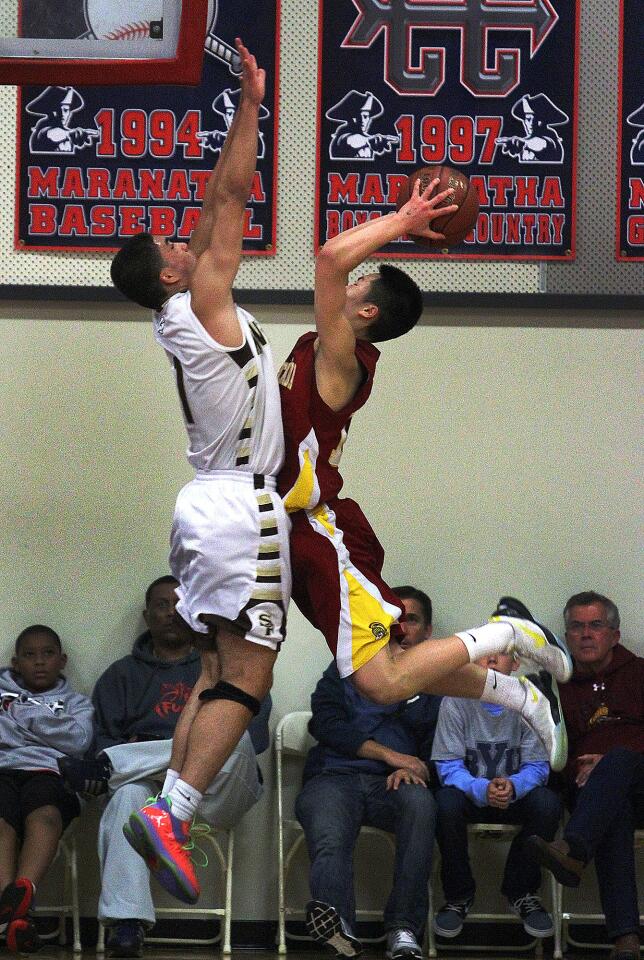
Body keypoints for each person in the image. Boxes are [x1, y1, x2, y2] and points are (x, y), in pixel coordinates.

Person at [277, 181, 572, 768]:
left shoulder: (342, 358)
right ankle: (519, 693)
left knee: (383, 682)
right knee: (382, 678)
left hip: (319, 531)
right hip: (289, 527)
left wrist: (404, 217)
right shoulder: (320, 345)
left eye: (361, 285)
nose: (349, 280)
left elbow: (331, 257)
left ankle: (507, 635)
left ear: (365, 312)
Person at [110, 38, 290, 906]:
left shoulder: (181, 315)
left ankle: (170, 808)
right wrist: (251, 101)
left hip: (204, 506)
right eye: (169, 240)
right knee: (250, 673)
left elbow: (214, 203)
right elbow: (231, 194)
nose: (182, 236)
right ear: (170, 271)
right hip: (239, 507)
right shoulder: (202, 300)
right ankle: (176, 808)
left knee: (222, 666)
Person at [58, 576, 271, 959]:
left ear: (195, 612)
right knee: (126, 796)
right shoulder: (121, 676)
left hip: (220, 790)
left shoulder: (234, 666)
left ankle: (112, 768)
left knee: (233, 735)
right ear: (147, 615)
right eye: (161, 604)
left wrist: (138, 754)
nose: (171, 612)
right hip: (153, 794)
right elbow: (101, 736)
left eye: (179, 603)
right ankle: (127, 925)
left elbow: (256, 740)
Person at [298, 587, 440, 960]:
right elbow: (325, 723)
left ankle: (404, 930)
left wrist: (418, 768)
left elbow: (442, 747)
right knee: (329, 830)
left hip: (395, 785)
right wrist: (392, 755)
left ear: (427, 630)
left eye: (412, 619)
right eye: (395, 618)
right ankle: (339, 932)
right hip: (334, 776)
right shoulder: (349, 665)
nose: (402, 626)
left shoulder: (438, 679)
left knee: (421, 807)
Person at [527, 591, 643, 960]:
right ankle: (626, 940)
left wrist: (610, 760)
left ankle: (572, 848)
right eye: (576, 627)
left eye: (596, 626)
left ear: (615, 635)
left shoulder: (639, 673)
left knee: (620, 761)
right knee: (615, 810)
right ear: (566, 636)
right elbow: (547, 747)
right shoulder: (553, 684)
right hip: (587, 792)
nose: (586, 634)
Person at [431, 646, 561, 941]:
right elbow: (447, 765)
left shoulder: (530, 702)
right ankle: (458, 897)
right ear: (470, 660)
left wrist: (513, 786)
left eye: (500, 653)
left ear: (515, 662)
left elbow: (538, 766)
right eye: (483, 653)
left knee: (548, 803)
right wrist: (481, 789)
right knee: (443, 802)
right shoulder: (455, 700)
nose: (490, 659)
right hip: (469, 794)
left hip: (514, 795)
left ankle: (522, 891)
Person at [0, 625, 93, 954]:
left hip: (51, 772)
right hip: (4, 771)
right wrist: (50, 729)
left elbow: (79, 740)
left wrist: (20, 715)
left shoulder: (77, 704)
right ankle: (14, 917)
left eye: (48, 654)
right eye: (29, 655)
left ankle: (15, 908)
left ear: (62, 660)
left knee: (45, 816)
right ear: (15, 663)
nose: (39, 662)